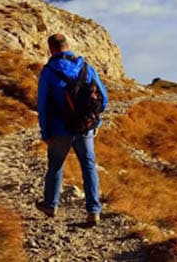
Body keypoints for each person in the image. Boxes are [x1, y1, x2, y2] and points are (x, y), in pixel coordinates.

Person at [35, 33, 108, 225]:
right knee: (89, 166)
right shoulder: (86, 67)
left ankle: (50, 205)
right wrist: (96, 122)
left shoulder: (48, 71)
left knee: (56, 166)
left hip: (59, 128)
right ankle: (93, 211)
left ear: (50, 49)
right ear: (68, 46)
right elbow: (103, 98)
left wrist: (45, 133)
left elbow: (42, 106)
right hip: (84, 128)